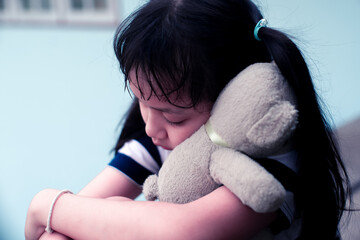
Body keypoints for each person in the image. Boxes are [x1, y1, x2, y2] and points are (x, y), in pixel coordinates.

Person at [25, 0, 351, 239]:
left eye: (173, 117)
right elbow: (77, 217)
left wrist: (48, 204)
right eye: (141, 102)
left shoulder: (272, 168)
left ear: (235, 93)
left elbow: (179, 231)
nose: (151, 129)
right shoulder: (156, 142)